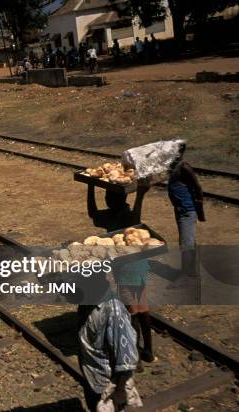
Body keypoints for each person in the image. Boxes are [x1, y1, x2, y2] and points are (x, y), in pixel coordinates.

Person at [87, 182, 156, 368]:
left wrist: (141, 195)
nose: (107, 200)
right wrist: (90, 186)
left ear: (119, 199)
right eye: (106, 198)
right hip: (139, 265)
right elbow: (93, 213)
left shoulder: (120, 217)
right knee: (142, 308)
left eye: (109, 198)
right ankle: (148, 350)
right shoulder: (116, 214)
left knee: (132, 311)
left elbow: (134, 217)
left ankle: (136, 357)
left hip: (126, 269)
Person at [76, 273, 142, 412]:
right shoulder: (88, 300)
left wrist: (116, 392)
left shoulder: (113, 311)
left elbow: (126, 360)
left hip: (105, 385)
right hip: (91, 376)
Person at [167, 143, 205, 288]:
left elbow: (198, 188)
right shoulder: (173, 165)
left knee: (186, 244)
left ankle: (185, 277)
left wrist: (200, 210)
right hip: (180, 210)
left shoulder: (184, 167)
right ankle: (192, 273)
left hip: (187, 211)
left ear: (181, 151)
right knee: (188, 242)